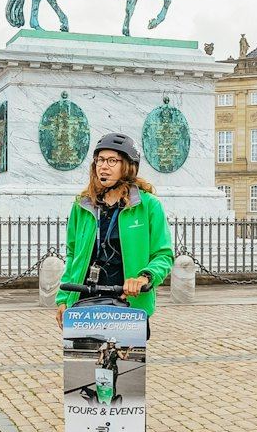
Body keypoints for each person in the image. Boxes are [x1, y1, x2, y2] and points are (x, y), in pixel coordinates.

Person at [56, 133, 174, 334]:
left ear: (127, 166)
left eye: (112, 161)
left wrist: (144, 278)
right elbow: (72, 254)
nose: (104, 166)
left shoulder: (148, 205)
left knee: (125, 354)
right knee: (83, 354)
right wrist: (62, 298)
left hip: (127, 299)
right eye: (100, 160)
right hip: (85, 298)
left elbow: (163, 255)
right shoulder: (82, 206)